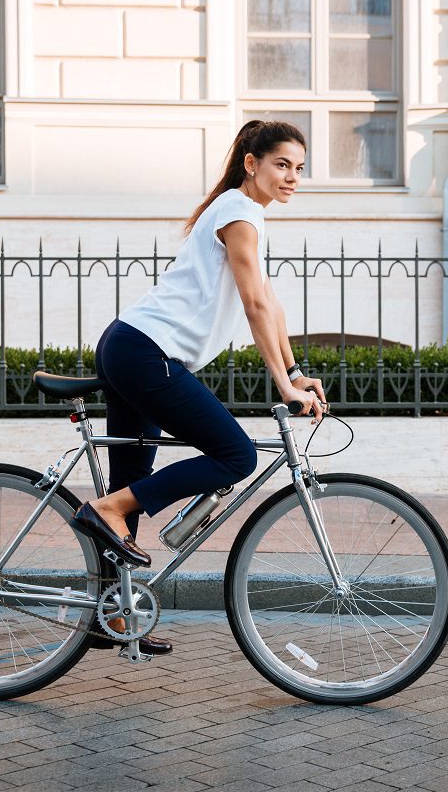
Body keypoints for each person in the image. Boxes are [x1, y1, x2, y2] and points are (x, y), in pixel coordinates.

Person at [72, 121, 327, 655]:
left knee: (131, 484)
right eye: (282, 164)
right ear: (251, 163)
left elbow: (270, 304)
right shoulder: (238, 212)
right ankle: (105, 513)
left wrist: (295, 369)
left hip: (133, 346)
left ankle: (108, 613)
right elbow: (253, 304)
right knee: (235, 455)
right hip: (145, 352)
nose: (292, 177)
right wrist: (283, 385)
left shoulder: (246, 215)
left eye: (299, 168)